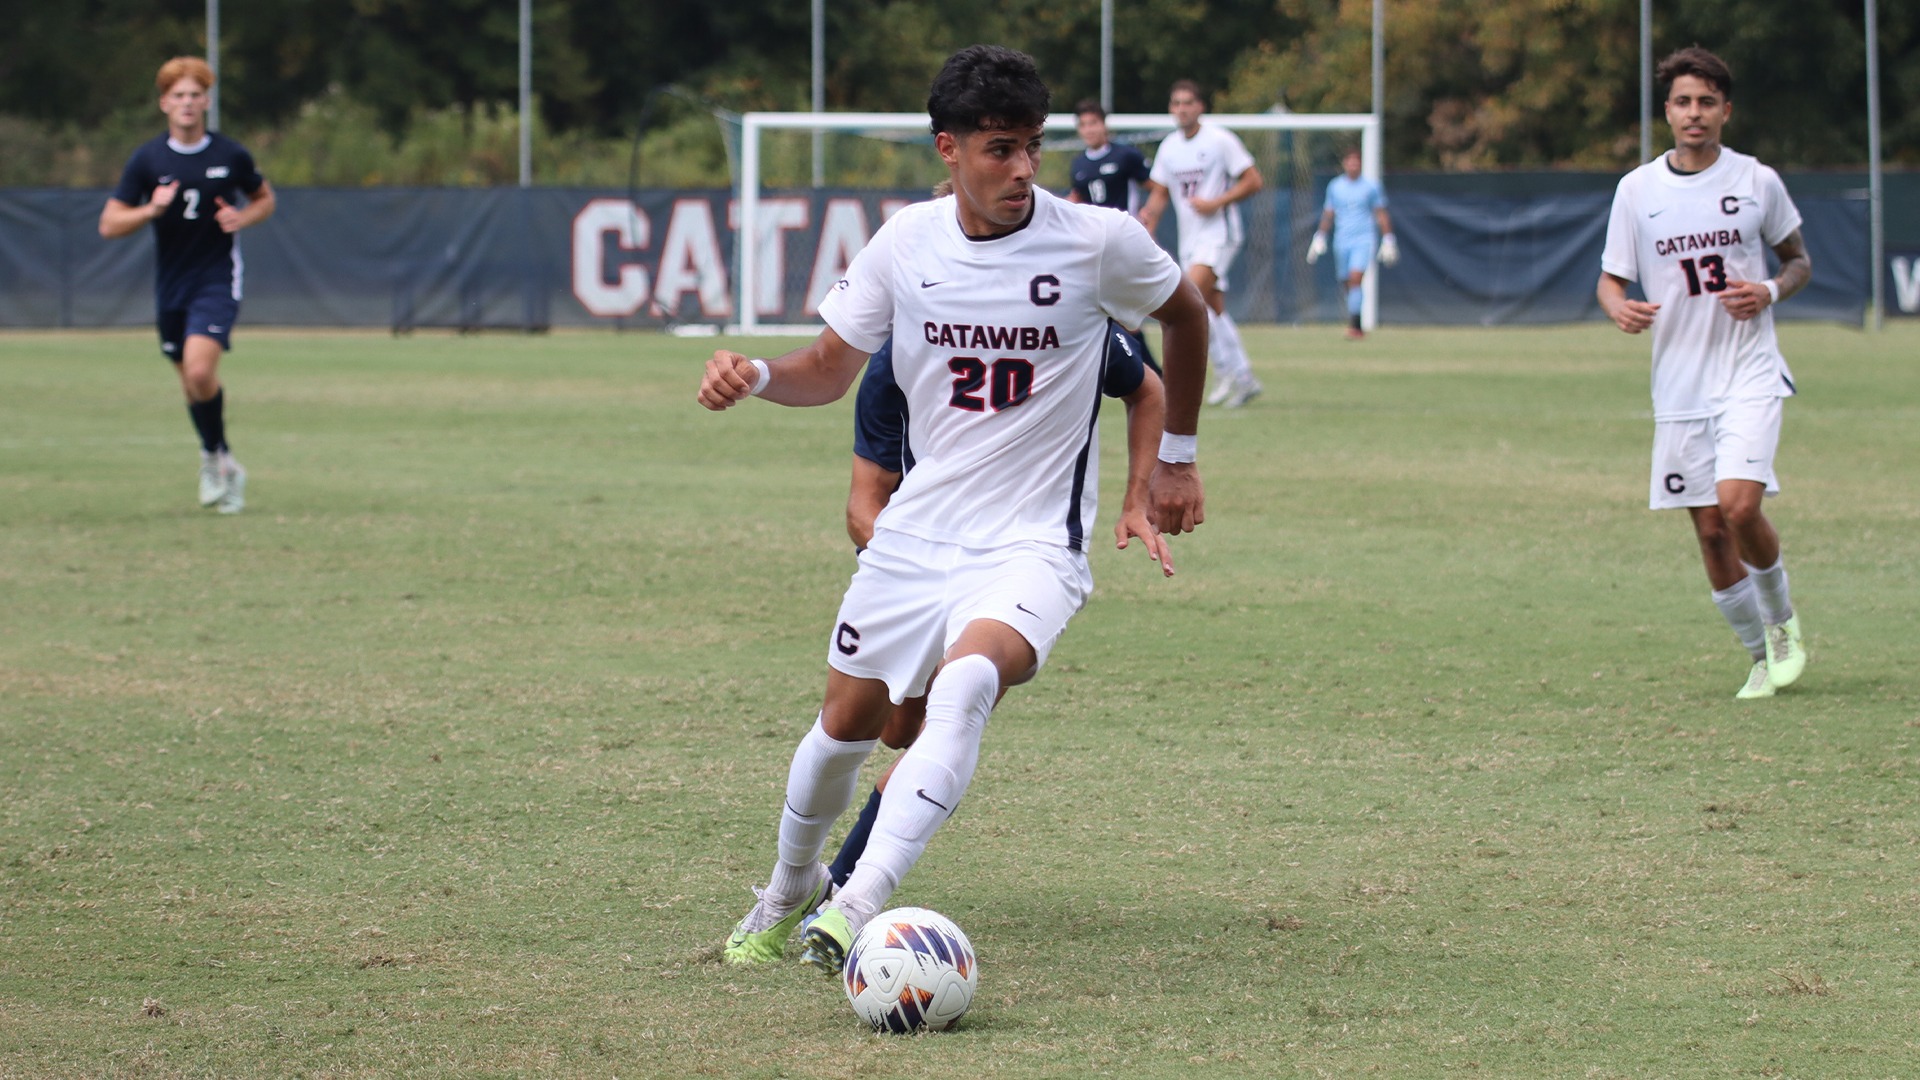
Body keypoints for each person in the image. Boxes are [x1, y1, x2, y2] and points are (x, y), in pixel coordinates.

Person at [700, 44, 1209, 975]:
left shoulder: (1097, 242)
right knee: (842, 733)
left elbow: (1187, 318)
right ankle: (788, 890)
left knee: (970, 685)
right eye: (998, 150)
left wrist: (1173, 461)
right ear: (949, 149)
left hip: (1031, 547)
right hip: (915, 537)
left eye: (1031, 148)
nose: (1021, 170)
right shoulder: (904, 243)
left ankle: (856, 906)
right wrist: (757, 373)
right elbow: (826, 370)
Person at [819, 321, 1174, 907]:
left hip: (1013, 565)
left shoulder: (1062, 330)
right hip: (915, 571)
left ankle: (843, 890)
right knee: (897, 728)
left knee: (949, 719)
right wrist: (918, 569)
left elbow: (1147, 385)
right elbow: (864, 503)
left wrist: (1144, 489)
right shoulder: (895, 364)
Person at [1597, 46, 1811, 700]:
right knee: (1711, 530)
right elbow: (1610, 279)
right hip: (1679, 383)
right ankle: (1756, 654)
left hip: (1748, 369)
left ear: (1726, 110)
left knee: (1740, 506)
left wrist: (1770, 291)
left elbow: (1797, 259)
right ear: (1668, 112)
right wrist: (1619, 309)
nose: (1696, 114)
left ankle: (1780, 623)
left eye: (1707, 102)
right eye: (1684, 102)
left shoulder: (1756, 181)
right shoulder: (1637, 190)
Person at [100, 56, 276, 515]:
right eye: (178, 95)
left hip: (216, 278)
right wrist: (149, 211)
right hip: (171, 285)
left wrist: (244, 216)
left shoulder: (230, 155)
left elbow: (264, 198)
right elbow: (109, 224)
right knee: (191, 383)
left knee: (200, 371)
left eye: (195, 95)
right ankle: (222, 459)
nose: (187, 103)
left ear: (207, 102)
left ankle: (212, 460)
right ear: (164, 103)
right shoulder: (148, 159)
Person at [1139, 80, 1264, 409]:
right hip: (1190, 238)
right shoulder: (1169, 147)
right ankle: (1241, 375)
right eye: (1176, 103)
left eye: (1188, 103)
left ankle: (1209, 376)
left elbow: (1253, 179)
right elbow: (1161, 190)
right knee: (1211, 309)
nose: (1181, 109)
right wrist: (1148, 219)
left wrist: (1217, 202)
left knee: (1188, 299)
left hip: (1219, 234)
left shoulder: (1220, 140)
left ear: (1200, 107)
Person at [1306, 147, 1397, 340]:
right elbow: (1329, 213)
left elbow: (1381, 213)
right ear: (1345, 163)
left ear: (1361, 164)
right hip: (1342, 240)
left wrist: (1388, 238)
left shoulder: (1371, 186)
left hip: (1363, 239)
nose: (1353, 165)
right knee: (1347, 282)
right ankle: (1357, 321)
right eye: (1350, 161)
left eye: (1357, 161)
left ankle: (1355, 326)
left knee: (1356, 279)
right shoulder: (1335, 186)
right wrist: (1320, 236)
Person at [1066, 100, 1151, 213]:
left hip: (1125, 228)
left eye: (1093, 123)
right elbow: (1077, 198)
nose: (1088, 130)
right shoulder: (1078, 163)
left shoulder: (1126, 155)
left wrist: (1149, 213)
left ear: (1104, 124)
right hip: (1094, 228)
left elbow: (1155, 188)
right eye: (1083, 125)